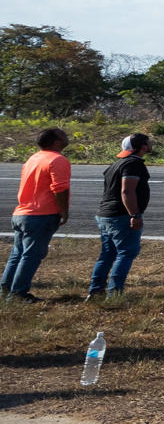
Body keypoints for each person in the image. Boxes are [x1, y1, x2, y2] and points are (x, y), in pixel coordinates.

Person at [5, 127, 71, 302]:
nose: (67, 137)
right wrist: (63, 210)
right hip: (41, 214)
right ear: (56, 142)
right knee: (31, 255)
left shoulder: (34, 158)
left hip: (22, 212)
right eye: (63, 135)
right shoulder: (58, 160)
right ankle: (18, 294)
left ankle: (6, 289)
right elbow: (60, 188)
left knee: (18, 253)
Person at [89, 134, 152, 299]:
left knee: (108, 254)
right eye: (148, 142)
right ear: (143, 146)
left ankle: (96, 290)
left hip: (106, 214)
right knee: (126, 252)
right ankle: (114, 294)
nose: (150, 145)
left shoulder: (117, 163)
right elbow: (127, 191)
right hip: (121, 216)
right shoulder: (133, 164)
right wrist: (135, 214)